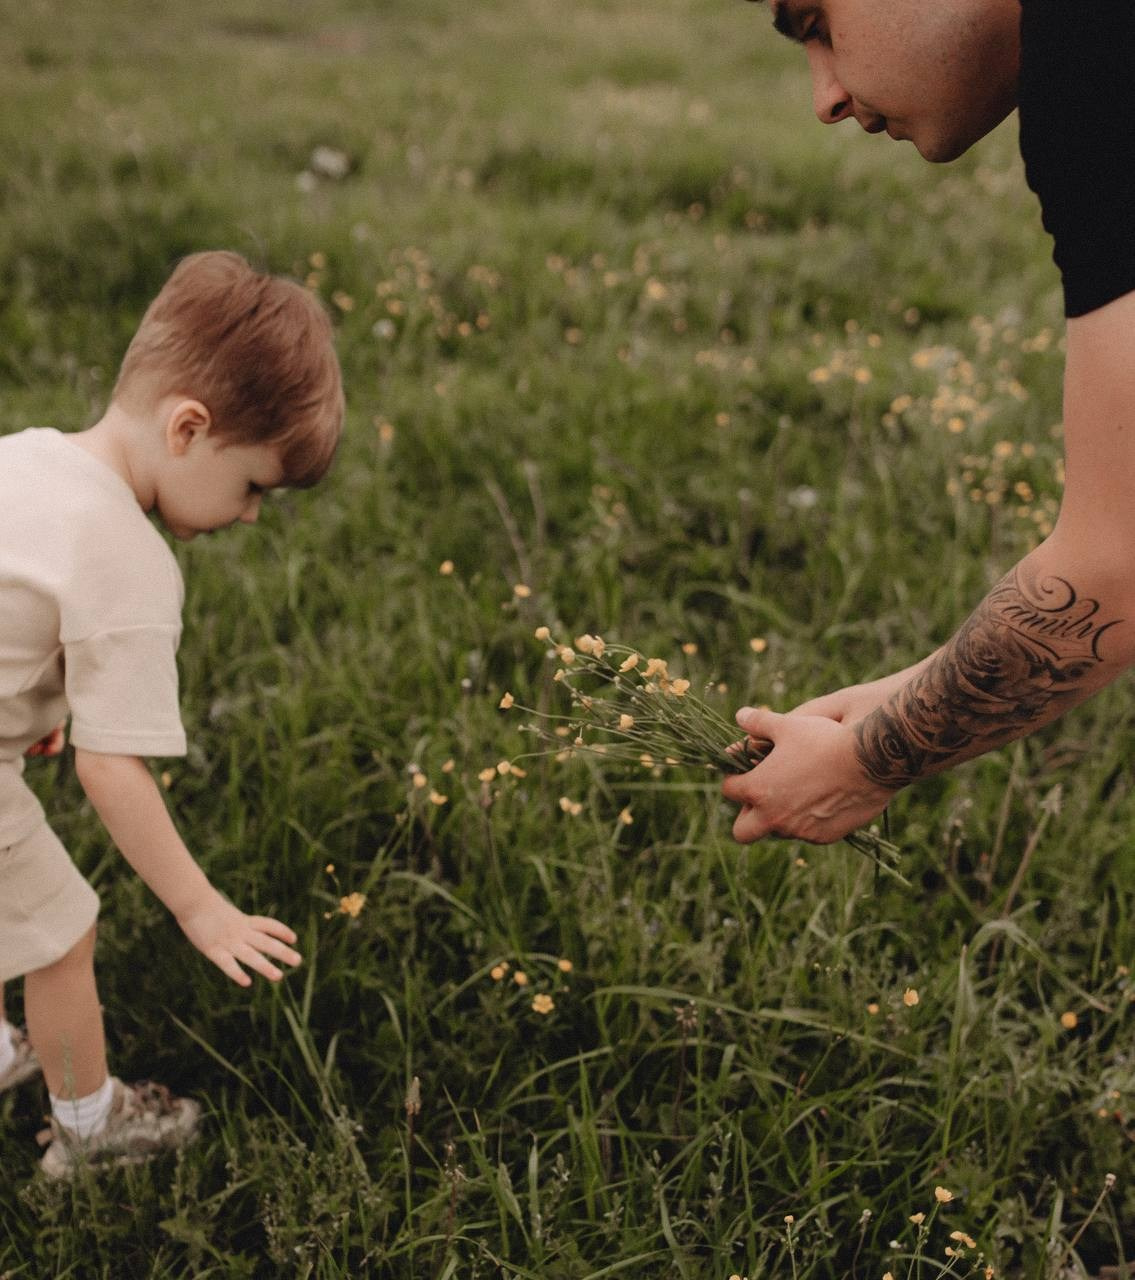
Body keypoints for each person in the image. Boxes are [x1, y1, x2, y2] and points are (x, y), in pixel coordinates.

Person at [722, 0, 1135, 844]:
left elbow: (1118, 560)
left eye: (816, 23)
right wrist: (906, 694)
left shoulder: (1091, 47)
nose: (825, 97)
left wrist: (866, 760)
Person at [0, 250, 344, 1177]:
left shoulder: (28, 455)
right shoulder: (129, 558)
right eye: (253, 488)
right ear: (188, 429)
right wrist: (201, 910)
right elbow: (112, 770)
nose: (250, 518)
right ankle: (91, 1127)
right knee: (61, 932)